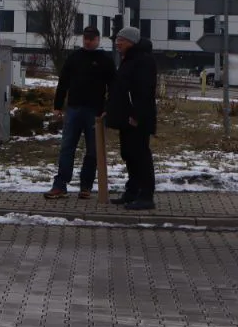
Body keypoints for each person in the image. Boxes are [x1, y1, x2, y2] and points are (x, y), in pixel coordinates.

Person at [44, 25, 115, 201]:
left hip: (95, 112)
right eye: (86, 38)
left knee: (92, 151)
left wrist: (108, 108)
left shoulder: (105, 60)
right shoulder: (74, 58)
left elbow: (114, 86)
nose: (88, 42)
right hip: (74, 109)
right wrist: (58, 105)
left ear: (98, 40)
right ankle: (60, 185)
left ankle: (86, 186)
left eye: (91, 39)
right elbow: (63, 82)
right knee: (67, 147)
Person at [105, 26, 158, 211]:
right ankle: (132, 192)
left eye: (121, 40)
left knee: (140, 155)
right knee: (129, 154)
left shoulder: (143, 60)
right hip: (126, 118)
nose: (117, 43)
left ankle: (146, 195)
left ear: (131, 42)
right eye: (116, 40)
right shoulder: (129, 59)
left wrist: (136, 115)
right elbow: (122, 89)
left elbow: (143, 92)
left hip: (137, 119)